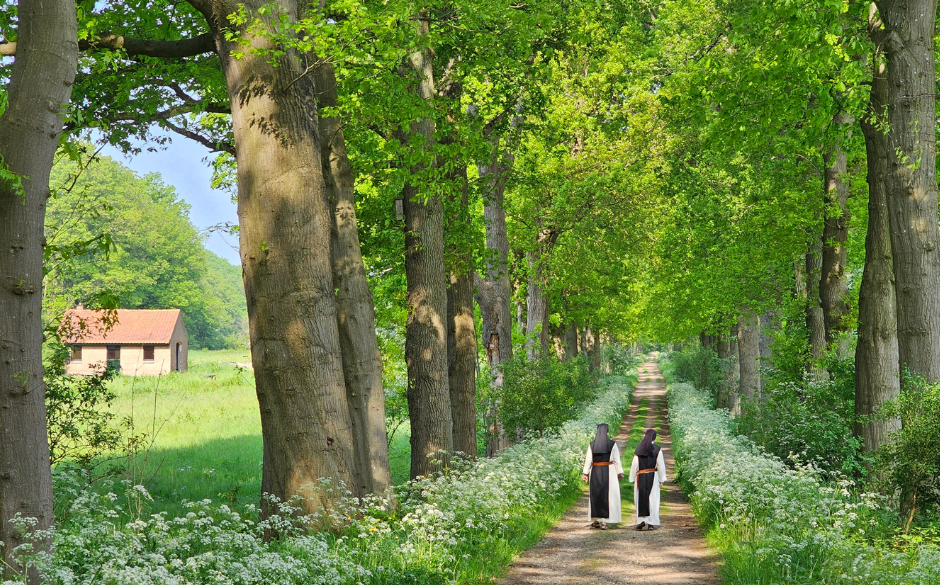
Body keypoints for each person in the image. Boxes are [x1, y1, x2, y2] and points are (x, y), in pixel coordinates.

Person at [581, 423, 623, 529]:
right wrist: (619, 472)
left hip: (595, 471)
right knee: (609, 496)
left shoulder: (592, 444)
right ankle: (605, 522)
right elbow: (616, 459)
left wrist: (585, 473)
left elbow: (588, 459)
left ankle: (596, 520)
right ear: (607, 432)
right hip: (610, 471)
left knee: (596, 495)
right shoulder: (612, 444)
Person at [629, 428, 667, 530]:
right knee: (653, 499)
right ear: (654, 437)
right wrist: (661, 479)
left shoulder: (639, 448)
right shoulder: (657, 449)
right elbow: (660, 465)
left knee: (641, 498)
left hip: (640, 476)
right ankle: (651, 523)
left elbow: (635, 465)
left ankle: (642, 520)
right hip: (653, 476)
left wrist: (632, 478)